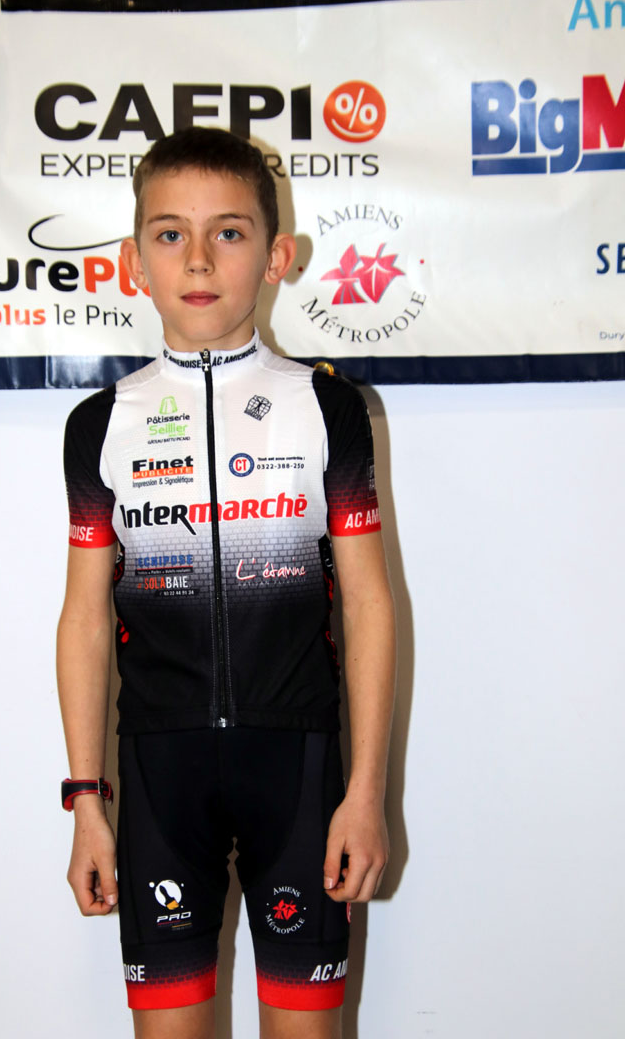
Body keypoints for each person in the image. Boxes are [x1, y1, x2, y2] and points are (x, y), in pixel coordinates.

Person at [57, 126, 396, 1039]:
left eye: (230, 232)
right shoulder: (100, 423)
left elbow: (369, 604)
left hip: (302, 772)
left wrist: (365, 792)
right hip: (159, 777)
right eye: (170, 234)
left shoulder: (328, 408)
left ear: (277, 257)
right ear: (133, 262)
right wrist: (86, 800)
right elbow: (84, 617)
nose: (199, 259)